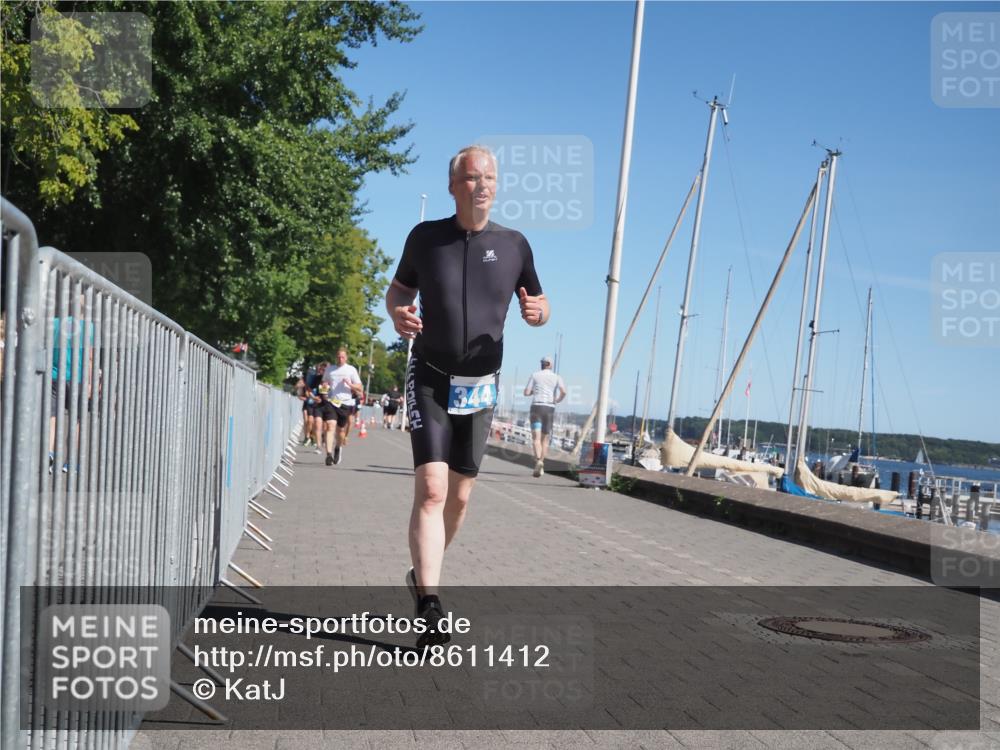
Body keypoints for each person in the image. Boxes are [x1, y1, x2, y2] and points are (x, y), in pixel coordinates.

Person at [385, 145, 549, 647]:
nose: (482, 185)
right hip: (431, 375)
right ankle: (430, 602)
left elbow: (539, 303)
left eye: (490, 177)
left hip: (481, 384)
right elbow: (397, 292)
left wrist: (539, 313)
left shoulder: (516, 244)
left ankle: (421, 573)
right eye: (473, 177)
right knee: (432, 490)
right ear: (454, 186)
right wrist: (398, 314)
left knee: (459, 495)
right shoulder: (425, 238)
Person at [319, 348, 364, 465]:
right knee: (330, 425)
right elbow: (324, 383)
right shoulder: (330, 370)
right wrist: (324, 392)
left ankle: (338, 448)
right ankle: (328, 455)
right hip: (331, 401)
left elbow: (360, 387)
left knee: (340, 431)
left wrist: (350, 384)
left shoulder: (351, 370)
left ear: (346, 358)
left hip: (345, 403)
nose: (340, 359)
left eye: (343, 357)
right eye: (338, 357)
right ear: (336, 357)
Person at [523, 355, 566, 477]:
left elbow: (526, 392)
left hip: (536, 407)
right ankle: (541, 461)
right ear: (550, 365)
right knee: (545, 439)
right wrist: (557, 399)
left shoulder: (535, 375)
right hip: (549, 408)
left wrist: (533, 392)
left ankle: (537, 460)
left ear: (541, 364)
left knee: (536, 438)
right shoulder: (557, 377)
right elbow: (564, 391)